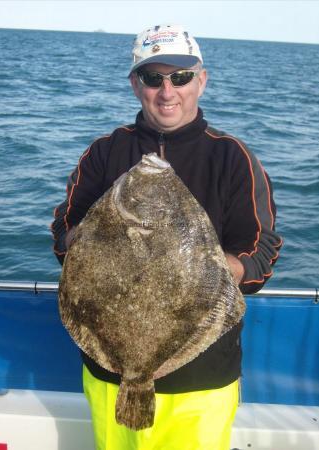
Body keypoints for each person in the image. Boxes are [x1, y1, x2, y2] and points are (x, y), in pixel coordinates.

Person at [51, 24, 282, 450]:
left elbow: (261, 255)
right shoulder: (104, 152)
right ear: (135, 84)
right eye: (153, 78)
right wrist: (82, 239)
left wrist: (212, 271)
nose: (167, 90)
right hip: (109, 376)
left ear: (202, 80)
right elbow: (63, 233)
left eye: (180, 76)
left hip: (201, 379)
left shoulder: (233, 157)